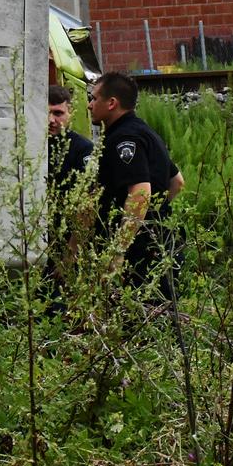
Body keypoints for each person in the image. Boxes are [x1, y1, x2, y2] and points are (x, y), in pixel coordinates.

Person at [87, 71, 184, 300]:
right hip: (160, 241)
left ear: (112, 103)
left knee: (138, 320)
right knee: (159, 317)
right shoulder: (145, 131)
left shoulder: (123, 138)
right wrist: (154, 215)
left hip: (140, 251)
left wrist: (119, 249)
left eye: (94, 98)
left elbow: (140, 194)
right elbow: (177, 182)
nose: (90, 105)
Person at [46, 83, 94, 285]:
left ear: (70, 113)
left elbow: (89, 202)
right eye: (46, 113)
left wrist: (71, 251)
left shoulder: (82, 149)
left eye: (58, 113)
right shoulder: (28, 145)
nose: (51, 120)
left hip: (68, 240)